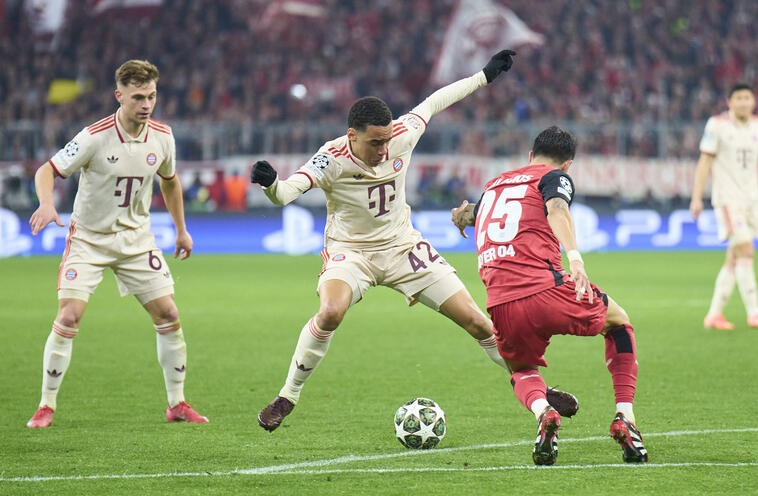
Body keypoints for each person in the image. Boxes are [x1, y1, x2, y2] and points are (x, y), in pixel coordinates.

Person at [250, 50, 578, 432]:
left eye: (387, 140)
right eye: (375, 143)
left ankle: (537, 389)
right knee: (330, 313)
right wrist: (271, 183)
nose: (384, 150)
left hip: (405, 247)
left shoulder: (401, 135)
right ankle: (288, 395)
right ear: (352, 136)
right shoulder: (330, 159)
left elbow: (437, 100)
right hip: (351, 252)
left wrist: (484, 77)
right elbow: (287, 192)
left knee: (478, 322)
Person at [26, 60, 208, 428]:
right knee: (68, 316)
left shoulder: (162, 136)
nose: (146, 104)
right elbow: (46, 170)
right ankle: (46, 405)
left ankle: (177, 403)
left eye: (152, 96)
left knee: (169, 314)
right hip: (89, 240)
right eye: (138, 97)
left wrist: (181, 229)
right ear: (119, 95)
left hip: (137, 240)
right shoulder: (94, 137)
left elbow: (169, 181)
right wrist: (47, 203)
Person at [451, 126, 647, 465]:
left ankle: (543, 411)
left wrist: (461, 215)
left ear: (529, 155)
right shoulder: (555, 177)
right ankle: (625, 418)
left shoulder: (494, 185)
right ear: (568, 165)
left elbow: (473, 212)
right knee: (619, 323)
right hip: (545, 289)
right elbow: (557, 208)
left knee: (521, 368)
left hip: (499, 302)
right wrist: (576, 259)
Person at [690, 83, 758, 331]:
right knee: (745, 251)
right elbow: (705, 161)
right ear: (729, 102)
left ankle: (714, 315)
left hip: (753, 200)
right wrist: (696, 197)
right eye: (738, 98)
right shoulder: (717, 125)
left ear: (753, 101)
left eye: (747, 98)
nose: (743, 102)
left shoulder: (757, 127)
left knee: (733, 257)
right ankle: (754, 312)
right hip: (728, 200)